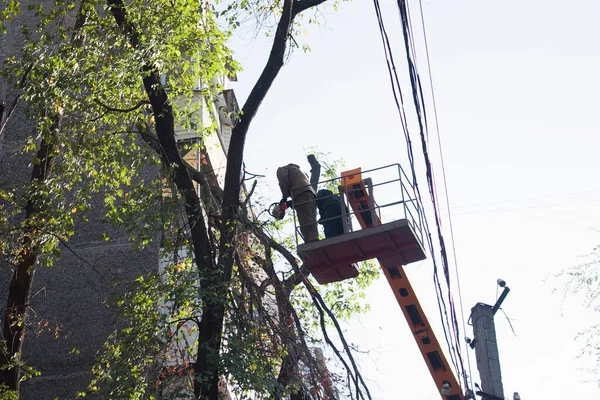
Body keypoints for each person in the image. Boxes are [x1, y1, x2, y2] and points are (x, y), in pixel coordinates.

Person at [275, 163, 319, 242]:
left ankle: (310, 239)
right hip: (310, 194)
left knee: (304, 218)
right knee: (311, 216)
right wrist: (289, 203)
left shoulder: (282, 170)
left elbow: (283, 181)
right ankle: (314, 237)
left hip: (300, 193)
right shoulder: (300, 172)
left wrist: (284, 197)